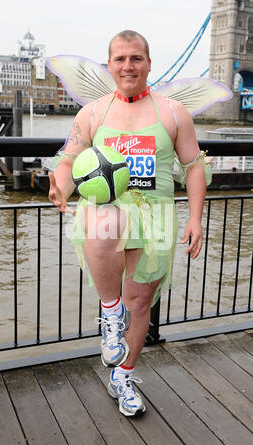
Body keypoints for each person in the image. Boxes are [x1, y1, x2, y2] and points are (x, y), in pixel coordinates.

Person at [48, 30, 207, 417]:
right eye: (120, 59)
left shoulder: (172, 112)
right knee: (102, 218)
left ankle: (124, 376)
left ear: (149, 63)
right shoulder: (93, 112)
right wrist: (61, 188)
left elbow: (194, 166)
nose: (128, 66)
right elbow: (69, 160)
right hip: (109, 214)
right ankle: (109, 309)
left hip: (156, 218)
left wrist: (196, 218)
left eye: (136, 58)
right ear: (110, 65)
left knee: (140, 304)